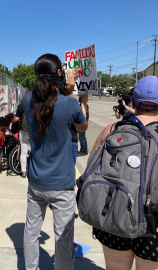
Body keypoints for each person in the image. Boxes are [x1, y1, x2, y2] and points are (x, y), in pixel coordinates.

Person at [23, 53, 88, 270]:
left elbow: (47, 104)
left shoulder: (26, 99)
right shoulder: (70, 104)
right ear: (59, 73)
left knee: (31, 231)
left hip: (36, 181)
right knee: (63, 237)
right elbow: (82, 126)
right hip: (61, 183)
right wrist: (79, 98)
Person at [89, 76, 158, 270]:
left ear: (133, 101)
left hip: (114, 215)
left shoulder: (111, 130)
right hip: (153, 224)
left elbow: (91, 169)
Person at [14, 98, 30, 178]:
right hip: (33, 131)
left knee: (23, 152)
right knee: (34, 151)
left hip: (23, 131)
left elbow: (16, 118)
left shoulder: (21, 106)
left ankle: (23, 171)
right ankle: (34, 169)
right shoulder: (36, 105)